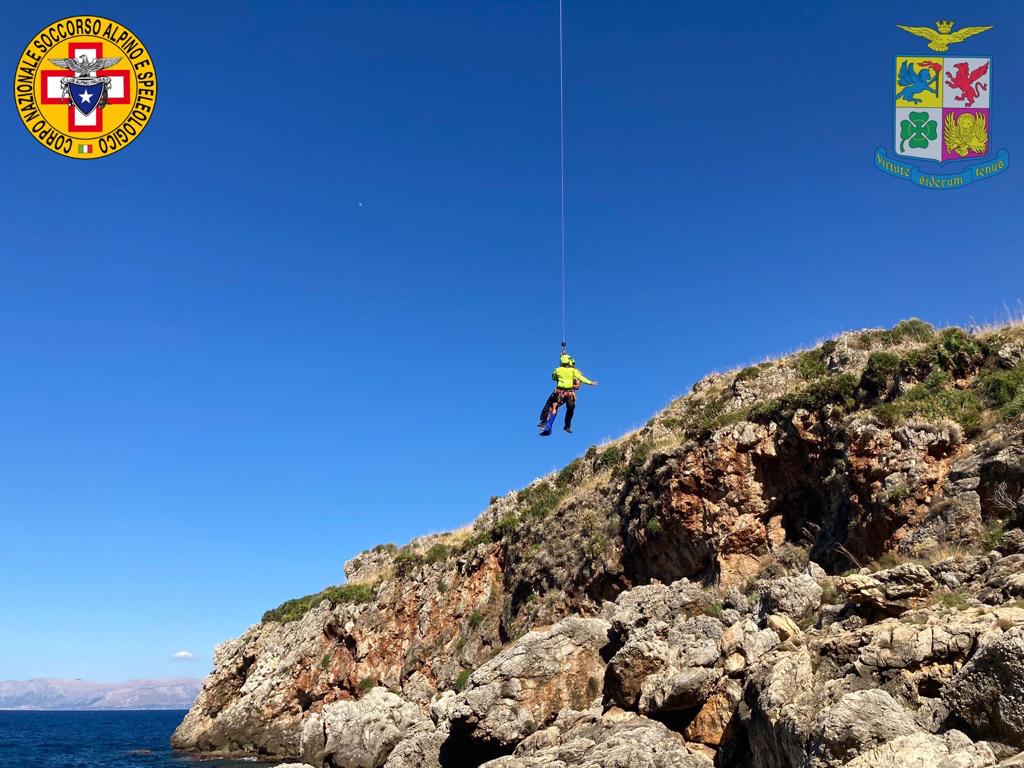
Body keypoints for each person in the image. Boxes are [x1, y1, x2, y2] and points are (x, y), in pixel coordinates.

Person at [538, 353, 598, 433]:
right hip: (568, 394)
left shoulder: (558, 369)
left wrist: (562, 379)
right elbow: (581, 380)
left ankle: (546, 423)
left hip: (560, 392)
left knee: (552, 405)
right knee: (560, 407)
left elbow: (553, 377)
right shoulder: (574, 371)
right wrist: (591, 383)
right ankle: (554, 426)